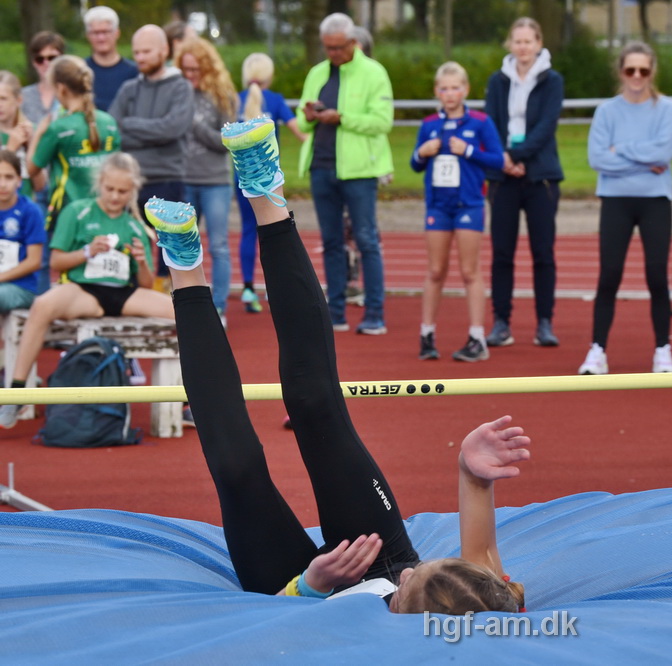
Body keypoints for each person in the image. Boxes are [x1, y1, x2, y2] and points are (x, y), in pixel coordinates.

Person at [145, 116, 527, 613]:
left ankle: (184, 267)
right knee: (315, 405)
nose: (412, 568)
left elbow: (290, 628)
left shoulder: (378, 641)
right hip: (377, 556)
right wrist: (472, 474)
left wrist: (311, 585)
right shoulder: (464, 599)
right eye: (426, 566)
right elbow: (474, 563)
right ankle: (265, 189)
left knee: (237, 469)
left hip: (299, 590)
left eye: (414, 580)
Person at [0, 152, 173, 428]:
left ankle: (192, 395)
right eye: (110, 189)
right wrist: (87, 251)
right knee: (43, 305)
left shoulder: (135, 226)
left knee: (183, 311)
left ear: (133, 191)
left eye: (123, 191)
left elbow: (144, 283)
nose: (115, 196)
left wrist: (140, 261)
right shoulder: (77, 211)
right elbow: (56, 261)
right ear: (99, 184)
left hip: (123, 293)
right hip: (84, 291)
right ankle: (17, 391)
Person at [579, 42, 672, 376]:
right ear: (621, 72)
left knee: (656, 274)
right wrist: (641, 160)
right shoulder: (606, 111)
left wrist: (620, 150)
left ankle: (663, 350)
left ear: (652, 72)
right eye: (630, 70)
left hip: (655, 200)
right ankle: (597, 350)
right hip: (616, 199)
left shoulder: (666, 109)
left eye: (644, 70)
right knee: (609, 274)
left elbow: (663, 153)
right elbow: (597, 158)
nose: (637, 76)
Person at [297, 12, 393, 335]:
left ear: (353, 42)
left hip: (359, 171)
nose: (333, 53)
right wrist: (310, 115)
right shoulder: (317, 73)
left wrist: (343, 118)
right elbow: (301, 115)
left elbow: (382, 121)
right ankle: (335, 313)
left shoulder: (374, 73)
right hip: (321, 167)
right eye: (328, 48)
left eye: (338, 47)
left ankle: (375, 314)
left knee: (366, 239)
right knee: (331, 242)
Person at [411, 62, 504, 363]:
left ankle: (477, 336)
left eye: (455, 87)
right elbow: (415, 164)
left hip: (470, 205)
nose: (450, 93)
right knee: (436, 270)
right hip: (438, 205)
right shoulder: (428, 125)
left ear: (465, 90)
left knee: (469, 271)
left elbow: (498, 160)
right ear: (437, 92)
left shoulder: (480, 122)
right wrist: (421, 152)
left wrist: (467, 150)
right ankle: (427, 334)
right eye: (444, 88)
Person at [483, 17, 564, 349]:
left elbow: (546, 126)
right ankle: (502, 322)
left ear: (538, 43)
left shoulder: (552, 80)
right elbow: (490, 122)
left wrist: (517, 156)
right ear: (510, 44)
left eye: (528, 41)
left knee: (542, 252)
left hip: (540, 176)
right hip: (503, 177)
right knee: (502, 252)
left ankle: (544, 322)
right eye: (517, 41)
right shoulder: (497, 81)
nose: (523, 47)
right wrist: (503, 157)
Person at [109, 24, 194, 287]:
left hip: (167, 179)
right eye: (136, 52)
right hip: (131, 182)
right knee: (131, 246)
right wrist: (151, 130)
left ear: (164, 50)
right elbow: (113, 128)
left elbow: (173, 128)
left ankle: (173, 307)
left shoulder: (181, 88)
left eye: (146, 51)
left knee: (170, 252)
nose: (140, 58)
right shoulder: (128, 89)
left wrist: (131, 124)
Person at [27, 55, 120, 294]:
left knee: (53, 266)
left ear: (61, 88)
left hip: (68, 212)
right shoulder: (108, 122)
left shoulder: (58, 127)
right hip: (106, 210)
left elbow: (31, 168)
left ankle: (44, 314)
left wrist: (38, 133)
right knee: (98, 272)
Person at [235, 52, 306, 314]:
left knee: (247, 230)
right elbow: (300, 132)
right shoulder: (275, 101)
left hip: (241, 177)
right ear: (269, 75)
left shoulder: (237, 100)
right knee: (275, 232)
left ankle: (247, 287)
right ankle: (277, 289)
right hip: (270, 180)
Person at [175, 38, 237, 326]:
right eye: (185, 69)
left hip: (214, 181)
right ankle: (186, 304)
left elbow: (227, 142)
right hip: (183, 179)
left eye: (195, 69)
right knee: (182, 245)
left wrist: (196, 126)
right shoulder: (176, 93)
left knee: (219, 245)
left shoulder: (222, 95)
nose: (190, 75)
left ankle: (220, 307)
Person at [0, 150, 46, 318]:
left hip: (22, 287)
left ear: (19, 181)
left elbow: (34, 261)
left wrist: (1, 277)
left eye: (9, 177)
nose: (3, 184)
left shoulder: (30, 211)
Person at [83, 6, 139, 113]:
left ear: (117, 33)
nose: (101, 38)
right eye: (95, 33)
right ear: (88, 35)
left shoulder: (134, 72)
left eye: (105, 32)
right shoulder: (80, 70)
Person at [0, 72, 46, 199]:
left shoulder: (31, 131)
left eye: (3, 98)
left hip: (26, 208)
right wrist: (10, 150)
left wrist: (31, 146)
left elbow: (40, 185)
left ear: (18, 100)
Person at [21, 32, 64, 125]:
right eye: (40, 59)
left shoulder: (71, 94)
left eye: (52, 58)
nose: (46, 63)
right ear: (33, 62)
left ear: (62, 59)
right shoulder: (22, 96)